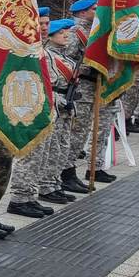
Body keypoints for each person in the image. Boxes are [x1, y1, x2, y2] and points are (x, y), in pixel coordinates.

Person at [7, 10, 68, 218]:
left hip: (46, 106)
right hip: (28, 107)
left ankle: (31, 196)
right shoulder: (24, 48)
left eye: (46, 23)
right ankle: (19, 198)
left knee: (42, 153)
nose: (43, 27)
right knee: (29, 154)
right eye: (39, 23)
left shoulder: (44, 50)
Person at [66, 0, 118, 185]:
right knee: (78, 132)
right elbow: (67, 62)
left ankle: (95, 167)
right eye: (95, 9)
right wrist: (88, 67)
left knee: (101, 129)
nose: (99, 12)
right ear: (82, 13)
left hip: (101, 85)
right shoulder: (75, 33)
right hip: (85, 88)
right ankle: (67, 171)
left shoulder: (98, 32)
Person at [34, 19, 82, 203]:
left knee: (62, 147)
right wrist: (60, 101)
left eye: (67, 32)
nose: (66, 35)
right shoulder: (47, 56)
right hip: (56, 105)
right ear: (52, 36)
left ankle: (54, 183)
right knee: (53, 148)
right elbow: (48, 85)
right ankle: (46, 186)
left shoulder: (64, 57)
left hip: (66, 107)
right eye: (61, 32)